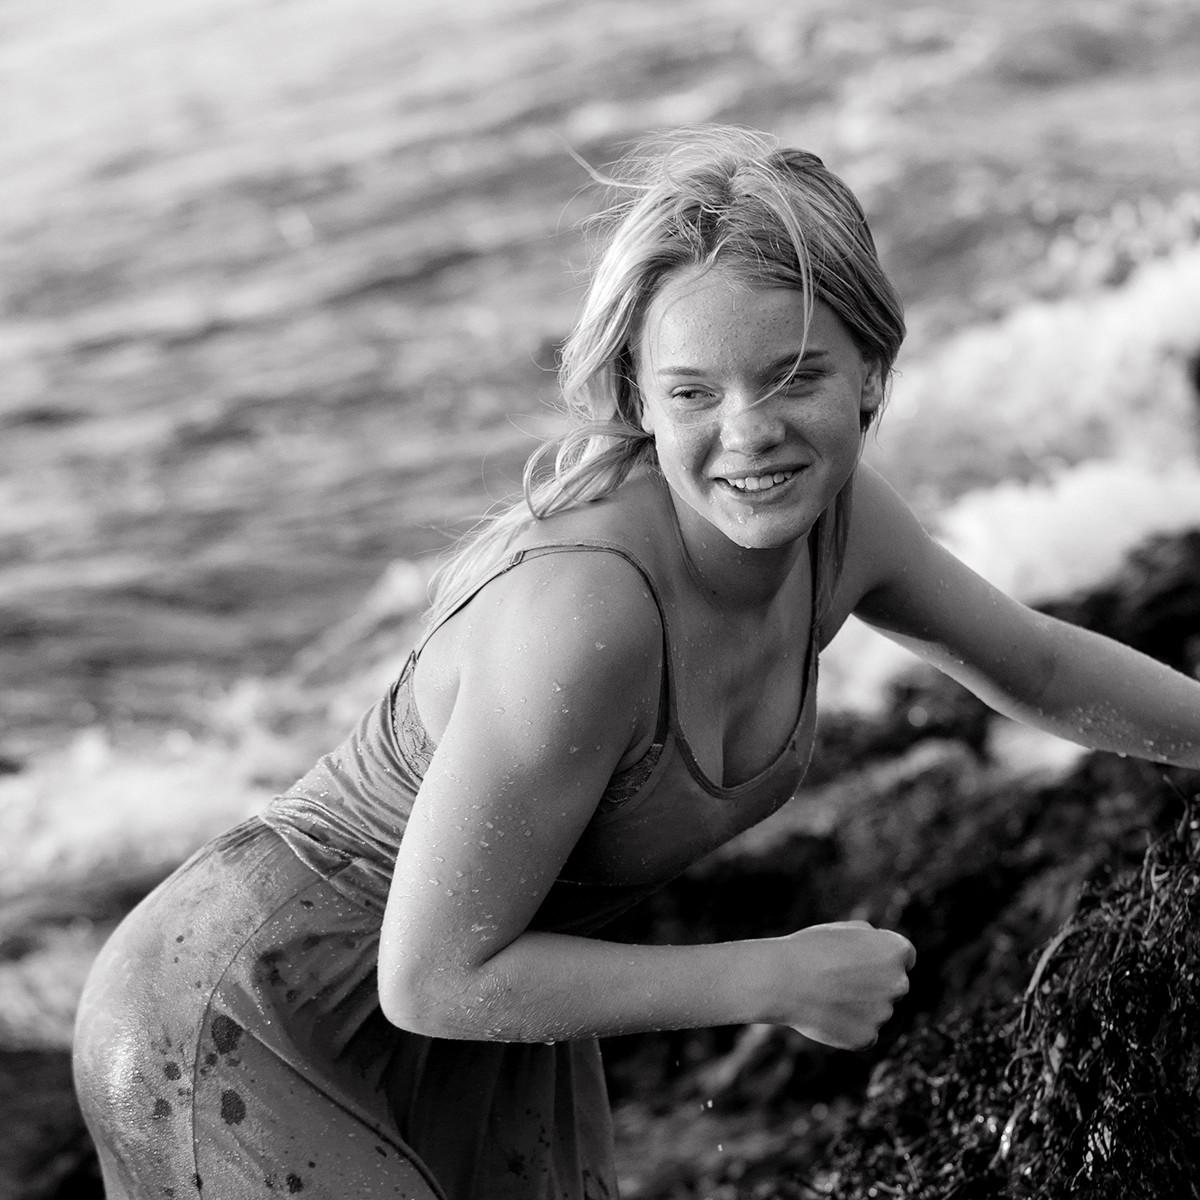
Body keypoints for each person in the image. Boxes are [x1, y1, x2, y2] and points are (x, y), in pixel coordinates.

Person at [72, 125, 1200, 1200]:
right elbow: (430, 976)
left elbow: (1040, 667)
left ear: (873, 369)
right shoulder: (588, 615)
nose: (749, 432)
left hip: (491, 986)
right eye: (695, 392)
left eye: (794, 376)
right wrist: (771, 977)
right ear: (638, 402)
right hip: (241, 1012)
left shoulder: (845, 529)